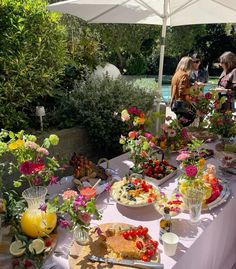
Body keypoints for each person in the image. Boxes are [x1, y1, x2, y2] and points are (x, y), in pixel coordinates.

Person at [170, 56, 196, 126]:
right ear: (188, 65)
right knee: (192, 115)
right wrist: (193, 88)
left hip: (175, 103)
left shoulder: (176, 74)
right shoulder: (184, 75)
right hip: (182, 104)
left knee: (179, 125)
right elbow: (182, 91)